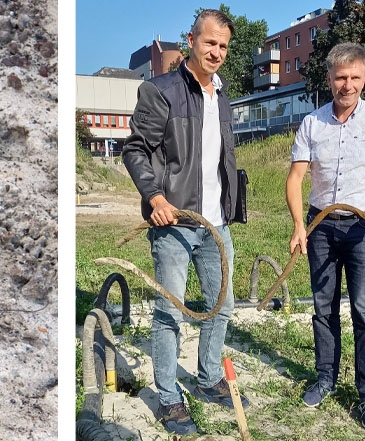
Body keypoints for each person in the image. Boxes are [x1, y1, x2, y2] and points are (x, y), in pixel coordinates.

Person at [123, 9, 248, 436]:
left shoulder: (223, 95)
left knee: (222, 306)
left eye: (224, 46)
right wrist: (155, 197)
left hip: (216, 225)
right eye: (210, 42)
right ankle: (169, 398)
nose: (217, 52)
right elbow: (135, 150)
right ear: (191, 40)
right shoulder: (161, 91)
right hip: (174, 223)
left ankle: (209, 377)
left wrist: (230, 206)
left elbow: (218, 161)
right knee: (170, 312)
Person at [286, 42, 365, 431]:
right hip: (320, 226)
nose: (348, 84)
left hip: (364, 228)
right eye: (341, 77)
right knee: (324, 309)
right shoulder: (312, 123)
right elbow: (295, 179)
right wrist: (298, 226)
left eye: (355, 77)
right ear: (329, 78)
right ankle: (325, 379)